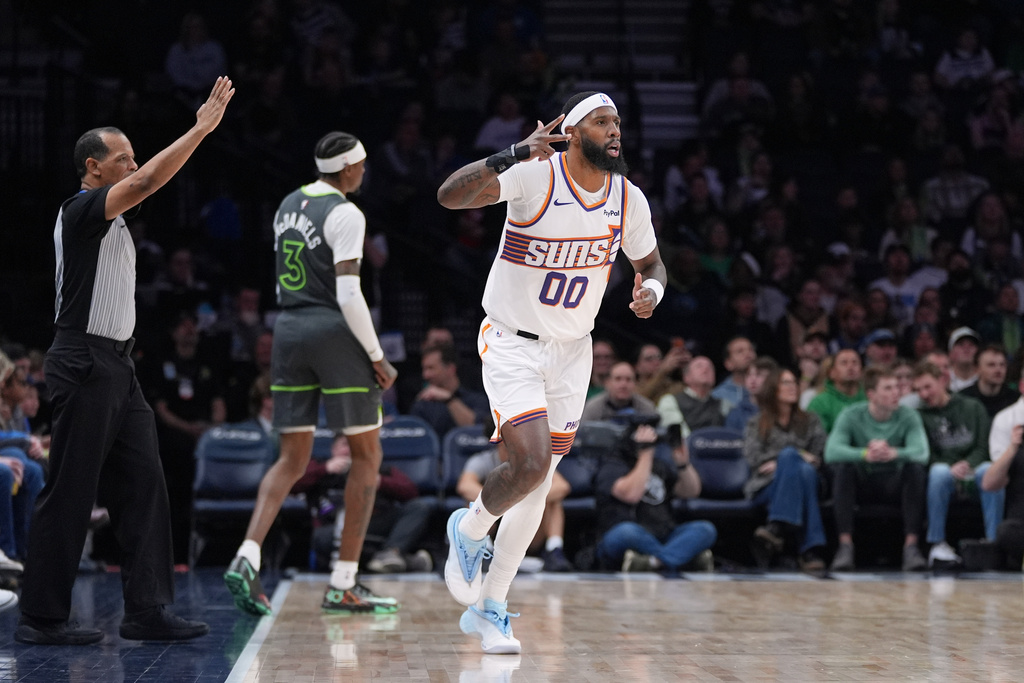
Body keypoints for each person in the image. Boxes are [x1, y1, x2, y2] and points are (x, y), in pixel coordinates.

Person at [436, 90, 667, 654]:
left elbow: (651, 262)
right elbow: (449, 196)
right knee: (532, 462)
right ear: (574, 130)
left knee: (539, 482)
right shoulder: (534, 174)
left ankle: (491, 607)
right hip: (512, 341)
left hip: (573, 350)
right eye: (603, 122)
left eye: (619, 123)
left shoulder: (627, 198)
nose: (616, 131)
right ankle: (468, 528)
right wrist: (511, 153)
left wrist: (652, 290)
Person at [15, 77, 233, 646]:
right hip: (83, 360)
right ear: (93, 168)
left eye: (132, 155)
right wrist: (200, 130)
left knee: (143, 483)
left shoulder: (110, 222)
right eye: (121, 158)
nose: (132, 165)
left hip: (116, 365)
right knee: (70, 488)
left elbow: (142, 180)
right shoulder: (81, 209)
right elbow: (150, 179)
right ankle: (41, 618)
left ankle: (146, 610)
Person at [224, 131, 399, 617]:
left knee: (291, 459)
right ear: (346, 170)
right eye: (361, 165)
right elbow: (348, 293)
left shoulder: (287, 204)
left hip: (288, 330)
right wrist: (377, 354)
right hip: (332, 330)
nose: (364, 172)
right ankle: (344, 582)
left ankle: (247, 555)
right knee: (367, 455)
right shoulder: (347, 212)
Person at [825, 365, 930, 572]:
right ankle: (845, 546)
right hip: (864, 483)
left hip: (894, 484)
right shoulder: (852, 414)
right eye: (888, 388)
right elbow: (831, 452)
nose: (896, 393)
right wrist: (865, 454)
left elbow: (922, 452)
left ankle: (911, 547)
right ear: (871, 394)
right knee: (844, 468)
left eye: (897, 388)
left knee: (915, 469)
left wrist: (894, 453)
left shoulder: (908, 416)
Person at [593, 422, 717, 573]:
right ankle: (681, 558)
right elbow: (631, 495)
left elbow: (690, 492)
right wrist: (645, 455)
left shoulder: (659, 465)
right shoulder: (612, 465)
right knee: (627, 532)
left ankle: (655, 562)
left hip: (663, 534)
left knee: (705, 529)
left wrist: (682, 464)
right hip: (625, 532)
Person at [912, 361, 1001, 568]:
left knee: (989, 470)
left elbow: (982, 446)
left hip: (973, 469)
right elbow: (925, 453)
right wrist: (951, 468)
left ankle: (994, 543)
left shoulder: (972, 407)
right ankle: (937, 543)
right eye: (918, 390)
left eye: (927, 387)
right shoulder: (919, 416)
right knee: (938, 471)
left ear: (943, 381)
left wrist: (967, 464)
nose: (923, 394)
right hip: (944, 473)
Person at [743, 368, 828, 573]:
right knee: (798, 466)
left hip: (812, 479)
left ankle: (776, 526)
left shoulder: (811, 420)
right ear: (773, 389)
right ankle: (810, 550)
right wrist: (790, 458)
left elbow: (820, 455)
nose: (793, 387)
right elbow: (754, 459)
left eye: (794, 383)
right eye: (785, 383)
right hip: (767, 485)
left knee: (800, 466)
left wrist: (790, 457)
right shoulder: (756, 423)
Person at [456, 446, 574, 573]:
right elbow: (465, 485)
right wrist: (498, 501)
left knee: (552, 501)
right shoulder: (483, 460)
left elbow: (562, 486)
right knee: (472, 503)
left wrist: (520, 500)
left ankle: (554, 549)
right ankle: (483, 550)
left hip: (526, 526)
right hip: (493, 524)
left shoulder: (532, 461)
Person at [983, 367, 1024, 568]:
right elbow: (989, 483)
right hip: (1020, 518)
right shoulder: (1007, 420)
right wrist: (1013, 447)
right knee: (1007, 532)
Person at [409, 343, 490, 440]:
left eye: (431, 368)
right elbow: (415, 440)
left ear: (450, 369)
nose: (425, 375)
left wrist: (449, 400)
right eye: (424, 369)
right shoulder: (422, 404)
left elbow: (475, 431)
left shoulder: (477, 400)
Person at [581, 361, 658, 423]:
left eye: (628, 379)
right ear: (608, 383)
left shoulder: (647, 408)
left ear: (635, 383)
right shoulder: (592, 408)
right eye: (618, 379)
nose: (623, 385)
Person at [807, 349, 865, 433]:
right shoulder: (819, 403)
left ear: (861, 370)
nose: (850, 367)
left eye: (855, 362)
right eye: (844, 363)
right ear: (832, 373)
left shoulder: (871, 397)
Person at [960, 344, 1019, 417]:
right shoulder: (963, 399)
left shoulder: (1016, 400)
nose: (998, 370)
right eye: (991, 365)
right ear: (977, 369)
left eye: (1002, 365)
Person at [947, 326, 981, 392]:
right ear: (951, 353)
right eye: (961, 344)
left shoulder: (985, 378)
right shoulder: (944, 378)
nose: (966, 349)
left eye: (971, 345)